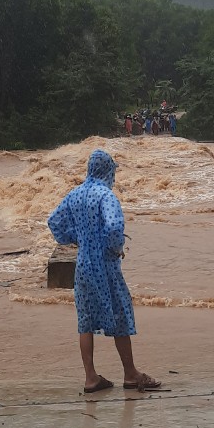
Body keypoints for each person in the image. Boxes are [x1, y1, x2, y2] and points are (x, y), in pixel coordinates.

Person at [47, 149, 161, 394]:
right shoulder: (105, 195)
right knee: (120, 313)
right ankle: (130, 373)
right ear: (108, 171)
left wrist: (75, 238)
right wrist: (116, 248)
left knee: (85, 320)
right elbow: (114, 226)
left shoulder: (75, 194)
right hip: (105, 265)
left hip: (83, 265)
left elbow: (53, 221)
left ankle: (91, 377)